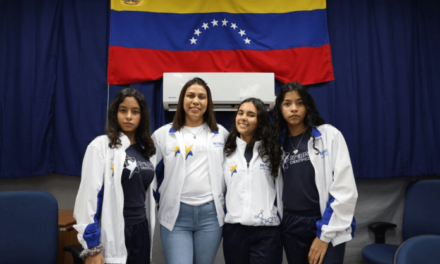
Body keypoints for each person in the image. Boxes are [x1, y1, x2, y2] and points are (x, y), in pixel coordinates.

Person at [272, 82, 358, 264]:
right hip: (291, 225)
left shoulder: (329, 135)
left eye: (300, 103)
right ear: (280, 109)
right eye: (287, 104)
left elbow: (345, 189)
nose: (294, 108)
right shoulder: (276, 145)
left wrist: (323, 235)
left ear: (307, 106)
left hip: (325, 220)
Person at [73, 88, 156, 264]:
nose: (128, 116)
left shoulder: (147, 150)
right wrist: (92, 248)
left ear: (142, 117)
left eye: (135, 112)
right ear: (114, 113)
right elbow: (88, 198)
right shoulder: (100, 146)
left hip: (141, 231)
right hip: (114, 229)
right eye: (123, 110)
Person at [151, 77, 229, 264]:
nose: (196, 101)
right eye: (190, 95)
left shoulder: (222, 134)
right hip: (175, 216)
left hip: (210, 216)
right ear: (182, 101)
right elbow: (147, 170)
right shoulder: (163, 134)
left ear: (208, 103)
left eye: (201, 97)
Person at [222, 98, 283, 264]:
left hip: (267, 232)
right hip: (234, 230)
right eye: (240, 113)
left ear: (260, 121)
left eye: (250, 115)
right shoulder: (226, 151)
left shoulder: (273, 152)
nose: (243, 118)